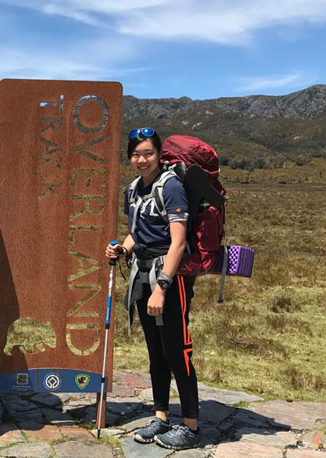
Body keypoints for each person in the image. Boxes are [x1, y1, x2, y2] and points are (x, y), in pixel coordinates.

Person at [105, 127, 200, 451]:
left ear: (159, 155)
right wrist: (122, 249)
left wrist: (162, 287)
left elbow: (178, 242)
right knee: (156, 353)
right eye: (136, 154)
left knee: (178, 352)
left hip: (169, 279)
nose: (141, 159)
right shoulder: (133, 190)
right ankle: (161, 416)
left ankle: (190, 426)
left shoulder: (171, 187)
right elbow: (137, 233)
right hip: (142, 274)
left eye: (147, 153)